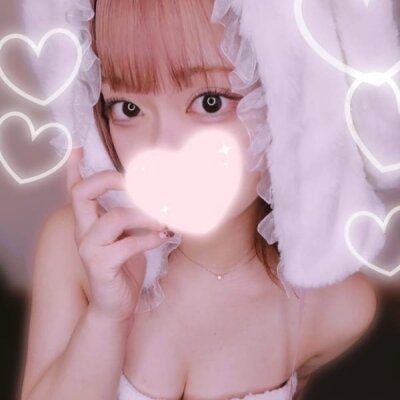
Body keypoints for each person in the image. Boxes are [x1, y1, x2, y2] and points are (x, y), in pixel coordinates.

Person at [19, 1, 378, 400]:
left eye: (211, 102)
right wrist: (106, 318)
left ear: (289, 98)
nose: (162, 148)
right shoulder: (77, 249)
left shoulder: (336, 308)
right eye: (128, 108)